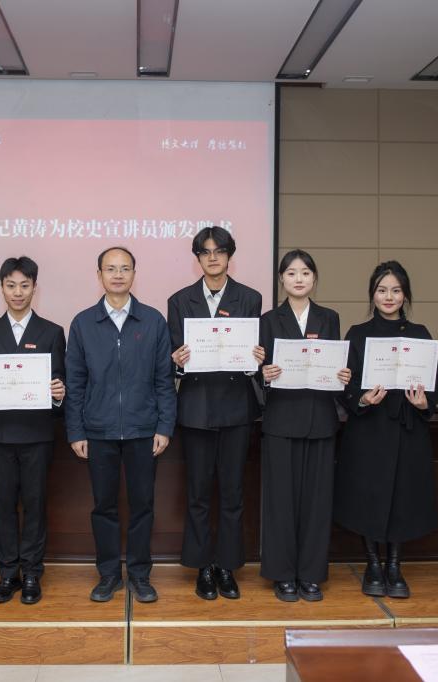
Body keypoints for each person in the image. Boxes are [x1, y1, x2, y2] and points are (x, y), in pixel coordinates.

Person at [65, 246, 177, 603]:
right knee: (104, 506)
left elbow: (164, 380)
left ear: (134, 274)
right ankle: (109, 574)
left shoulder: (153, 321)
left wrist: (165, 426)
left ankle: (140, 574)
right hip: (98, 431)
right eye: (110, 268)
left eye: (124, 268)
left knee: (143, 505)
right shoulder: (83, 323)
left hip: (144, 430)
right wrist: (76, 431)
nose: (117, 274)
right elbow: (75, 382)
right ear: (99, 275)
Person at [167, 226, 264, 601]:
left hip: (236, 407)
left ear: (229, 256)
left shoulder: (250, 298)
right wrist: (177, 361)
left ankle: (227, 566)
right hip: (196, 408)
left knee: (233, 492)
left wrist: (257, 359)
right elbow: (173, 359)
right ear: (197, 258)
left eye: (219, 251)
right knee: (198, 494)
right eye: (205, 252)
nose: (212, 257)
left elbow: (253, 358)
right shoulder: (179, 301)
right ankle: (202, 567)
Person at [0, 256, 66, 605]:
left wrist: (59, 392)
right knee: (4, 505)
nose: (18, 292)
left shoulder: (52, 332)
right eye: (11, 285)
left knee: (35, 505)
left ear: (35, 288)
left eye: (25, 285)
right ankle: (8, 572)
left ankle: (33, 572)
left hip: (37, 434)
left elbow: (61, 381)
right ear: (2, 288)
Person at [335, 261, 438, 599]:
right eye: (382, 290)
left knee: (402, 497)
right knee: (368, 496)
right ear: (372, 294)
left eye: (395, 290)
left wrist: (425, 402)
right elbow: (344, 384)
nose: (389, 297)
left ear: (405, 295)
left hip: (408, 430)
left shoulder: (420, 334)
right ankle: (373, 564)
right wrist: (362, 398)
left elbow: (434, 384)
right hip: (369, 430)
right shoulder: (358, 333)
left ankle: (394, 565)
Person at [258, 249, 350, 602]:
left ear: (314, 278)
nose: (299, 279)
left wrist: (341, 376)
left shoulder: (329, 318)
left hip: (320, 421)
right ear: (281, 279)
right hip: (281, 420)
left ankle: (311, 574)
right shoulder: (268, 320)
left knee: (317, 501)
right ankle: (282, 574)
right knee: (280, 501)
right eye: (292, 273)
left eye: (306, 273)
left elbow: (333, 367)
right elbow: (258, 372)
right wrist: (264, 374)